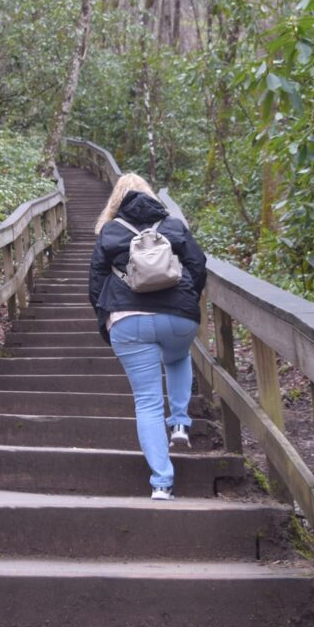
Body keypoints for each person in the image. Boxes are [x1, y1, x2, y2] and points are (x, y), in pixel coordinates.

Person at [88, 173, 207, 500]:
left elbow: (96, 286)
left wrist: (106, 324)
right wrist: (184, 301)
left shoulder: (110, 231)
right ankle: (181, 423)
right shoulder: (173, 226)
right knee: (179, 355)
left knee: (148, 402)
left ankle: (161, 483)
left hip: (128, 321)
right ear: (151, 196)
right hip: (179, 318)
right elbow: (198, 266)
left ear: (116, 199)